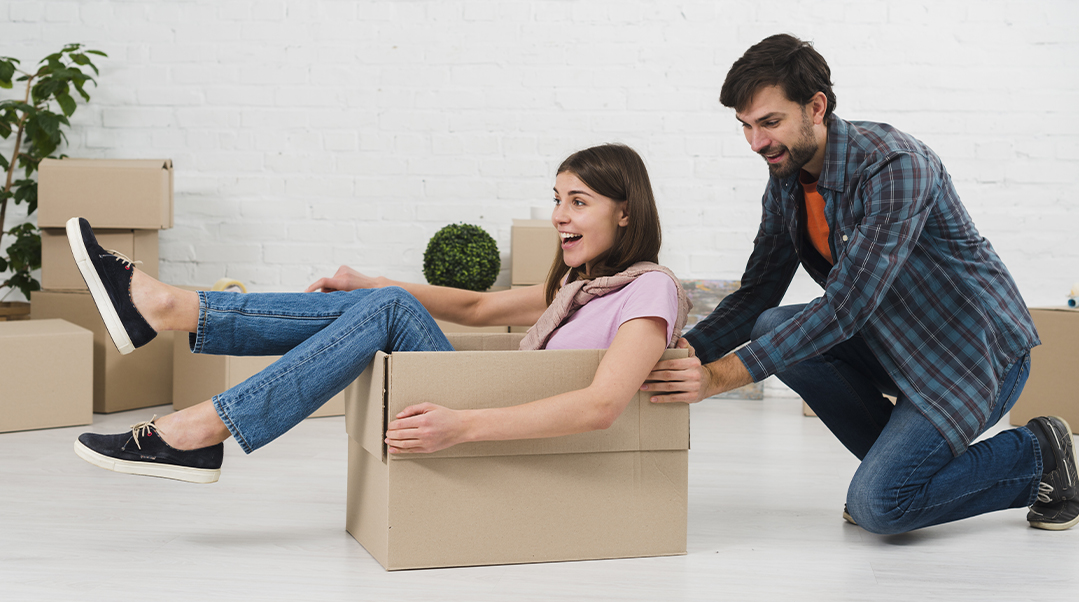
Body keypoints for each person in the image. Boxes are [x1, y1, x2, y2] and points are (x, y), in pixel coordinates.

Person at [644, 34, 1077, 533]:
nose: (756, 142)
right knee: (770, 322)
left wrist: (720, 377)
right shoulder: (786, 178)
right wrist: (681, 356)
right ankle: (904, 479)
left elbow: (847, 307)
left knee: (881, 508)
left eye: (769, 122)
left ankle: (1038, 452)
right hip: (896, 346)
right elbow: (759, 291)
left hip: (973, 356)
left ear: (816, 106)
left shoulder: (895, 165)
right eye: (745, 126)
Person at [70, 143, 690, 484]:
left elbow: (602, 406)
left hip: (493, 418)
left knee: (388, 308)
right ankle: (172, 318)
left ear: (626, 211)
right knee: (384, 303)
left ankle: (192, 401)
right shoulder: (578, 284)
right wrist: (372, 283)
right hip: (487, 398)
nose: (559, 215)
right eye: (556, 200)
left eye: (578, 202)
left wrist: (465, 426)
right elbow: (477, 307)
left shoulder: (649, 292)